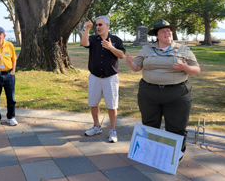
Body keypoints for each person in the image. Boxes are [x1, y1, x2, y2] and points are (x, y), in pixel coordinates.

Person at [126, 19, 200, 155]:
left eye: (169, 30)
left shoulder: (183, 49)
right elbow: (137, 68)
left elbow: (196, 69)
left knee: (177, 127)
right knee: (149, 124)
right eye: (163, 31)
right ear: (157, 35)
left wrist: (186, 67)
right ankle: (150, 152)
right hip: (149, 93)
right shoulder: (146, 49)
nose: (167, 33)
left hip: (177, 94)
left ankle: (176, 155)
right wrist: (130, 63)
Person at [81, 16, 126, 143]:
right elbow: (84, 43)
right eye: (96, 25)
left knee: (112, 105)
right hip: (94, 77)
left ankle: (112, 130)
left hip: (110, 78)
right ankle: (96, 126)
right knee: (93, 103)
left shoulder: (116, 40)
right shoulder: (93, 39)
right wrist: (87, 30)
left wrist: (111, 47)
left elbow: (122, 55)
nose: (98, 27)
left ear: (107, 26)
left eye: (100, 24)